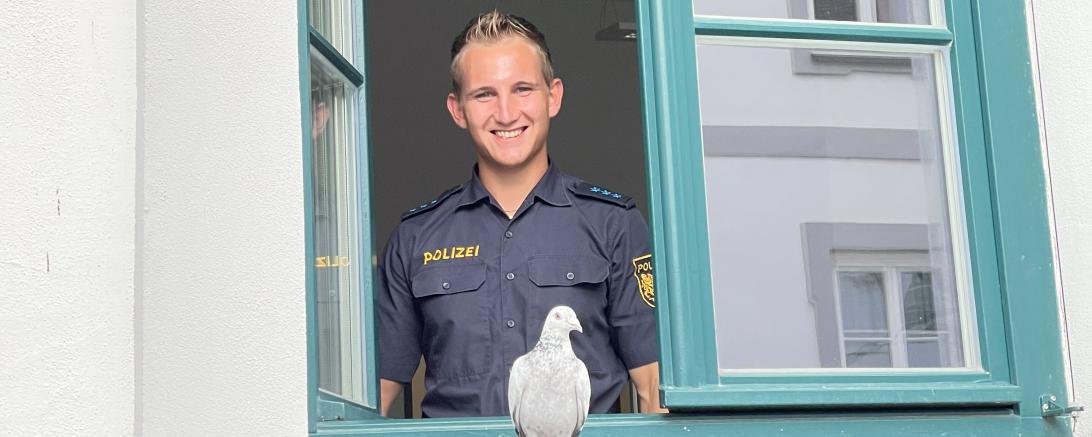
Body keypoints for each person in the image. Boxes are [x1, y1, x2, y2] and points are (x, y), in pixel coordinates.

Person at [377, 9, 665, 418]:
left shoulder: (613, 224)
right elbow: (371, 400)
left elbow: (653, 390)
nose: (507, 113)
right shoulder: (415, 238)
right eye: (484, 94)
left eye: (523, 89)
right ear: (458, 109)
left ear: (554, 96)